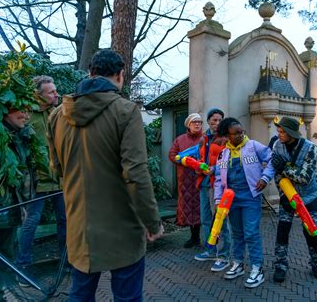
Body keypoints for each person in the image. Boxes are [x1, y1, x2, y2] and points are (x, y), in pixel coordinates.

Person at [47, 49, 163, 301]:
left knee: (80, 293)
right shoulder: (126, 111)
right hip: (122, 225)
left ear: (90, 73)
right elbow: (136, 173)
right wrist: (152, 223)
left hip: (79, 225)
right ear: (121, 76)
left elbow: (55, 168)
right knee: (127, 297)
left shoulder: (57, 115)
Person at [214, 117, 274, 288]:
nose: (241, 135)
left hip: (250, 197)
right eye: (236, 133)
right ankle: (238, 263)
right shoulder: (223, 154)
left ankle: (257, 268)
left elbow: (272, 159)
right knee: (237, 233)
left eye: (242, 132)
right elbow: (218, 179)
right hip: (231, 199)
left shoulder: (253, 146)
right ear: (227, 135)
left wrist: (265, 177)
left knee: (251, 233)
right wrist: (219, 199)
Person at [16, 76, 67, 278]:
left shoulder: (59, 113)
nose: (56, 94)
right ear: (38, 94)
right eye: (51, 92)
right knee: (31, 222)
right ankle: (23, 267)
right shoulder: (26, 115)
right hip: (37, 181)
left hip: (61, 179)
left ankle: (67, 262)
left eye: (55, 90)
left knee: (65, 220)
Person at [0, 108, 37, 301]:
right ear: (4, 110)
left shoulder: (18, 137)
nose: (26, 115)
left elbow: (19, 176)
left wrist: (22, 205)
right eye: (21, 111)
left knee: (4, 260)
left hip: (9, 212)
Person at [271, 116, 317, 282]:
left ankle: (316, 262)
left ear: (291, 133)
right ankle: (280, 265)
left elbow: (304, 178)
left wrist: (284, 167)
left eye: (282, 132)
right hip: (287, 196)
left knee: (311, 230)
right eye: (278, 131)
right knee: (282, 230)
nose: (278, 134)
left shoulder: (311, 149)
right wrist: (283, 190)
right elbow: (276, 174)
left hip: (308, 197)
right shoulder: (277, 146)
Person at [194, 108, 231, 272]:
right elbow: (198, 159)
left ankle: (224, 255)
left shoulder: (226, 139)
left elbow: (228, 161)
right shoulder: (203, 138)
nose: (217, 123)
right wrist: (198, 167)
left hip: (218, 185)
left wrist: (213, 168)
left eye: (220, 120)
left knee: (220, 221)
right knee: (206, 219)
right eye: (214, 120)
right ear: (208, 120)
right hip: (204, 183)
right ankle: (210, 249)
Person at [168, 113, 203, 248]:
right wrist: (182, 160)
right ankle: (193, 237)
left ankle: (203, 237)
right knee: (189, 208)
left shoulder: (204, 139)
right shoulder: (180, 140)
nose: (197, 124)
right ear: (188, 124)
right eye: (194, 122)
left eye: (199, 122)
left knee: (201, 208)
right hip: (185, 179)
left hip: (201, 178)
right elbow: (172, 155)